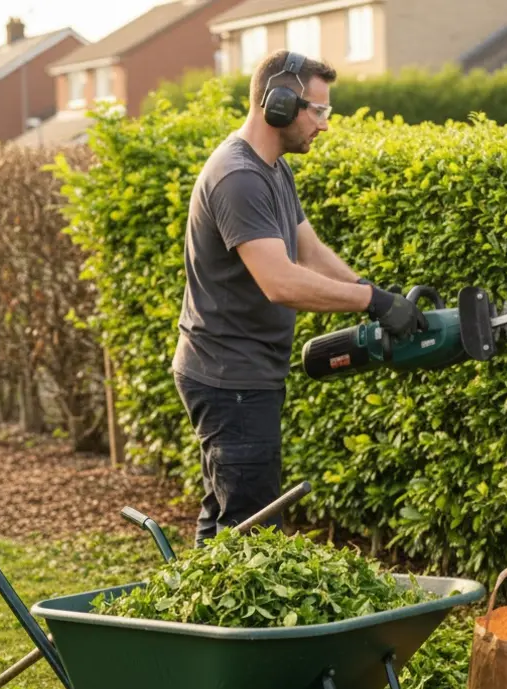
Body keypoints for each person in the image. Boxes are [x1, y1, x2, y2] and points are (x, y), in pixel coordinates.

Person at [170, 50, 426, 546]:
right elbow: (281, 282)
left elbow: (309, 251)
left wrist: (379, 299)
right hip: (230, 380)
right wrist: (371, 302)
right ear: (279, 104)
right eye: (319, 110)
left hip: (241, 374)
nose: (324, 125)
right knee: (251, 531)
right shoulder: (238, 177)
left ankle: (187, 617)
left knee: (228, 518)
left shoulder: (272, 169)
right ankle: (233, 626)